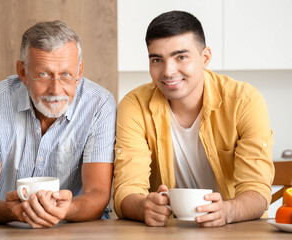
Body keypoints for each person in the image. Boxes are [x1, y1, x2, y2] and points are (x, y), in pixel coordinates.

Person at [113, 10, 274, 227]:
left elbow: (257, 191)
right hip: (166, 231)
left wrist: (227, 211)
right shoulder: (134, 106)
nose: (168, 71)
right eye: (157, 59)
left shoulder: (244, 102)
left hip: (235, 229)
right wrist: (143, 207)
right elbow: (126, 190)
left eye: (181, 57)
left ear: (205, 57)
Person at [0, 21, 116, 228]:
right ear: (23, 73)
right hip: (8, 226)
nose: (56, 90)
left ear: (79, 71)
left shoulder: (100, 104)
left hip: (76, 227)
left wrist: (66, 209)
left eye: (66, 75)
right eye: (43, 74)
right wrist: (12, 211)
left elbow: (98, 195)